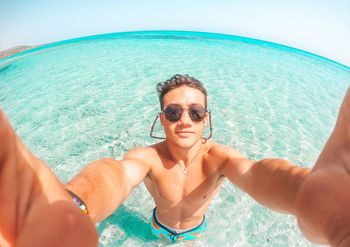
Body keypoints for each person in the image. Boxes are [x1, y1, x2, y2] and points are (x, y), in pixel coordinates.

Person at [0, 74, 349, 246]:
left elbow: (256, 173)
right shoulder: (148, 159)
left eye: (195, 112)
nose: (185, 119)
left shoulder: (219, 160)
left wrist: (307, 192)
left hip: (196, 234)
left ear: (206, 119)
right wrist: (72, 205)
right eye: (173, 110)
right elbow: (116, 175)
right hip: (156, 226)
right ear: (162, 118)